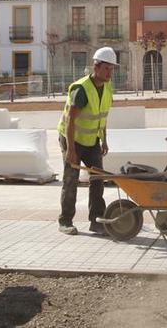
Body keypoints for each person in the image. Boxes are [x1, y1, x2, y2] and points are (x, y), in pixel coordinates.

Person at [57, 46, 117, 236]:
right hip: (71, 139)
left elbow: (101, 116)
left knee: (98, 179)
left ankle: (96, 221)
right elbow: (70, 121)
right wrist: (71, 151)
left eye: (112, 68)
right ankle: (65, 221)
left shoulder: (107, 87)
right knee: (71, 180)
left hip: (92, 141)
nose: (110, 72)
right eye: (106, 68)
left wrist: (104, 140)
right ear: (96, 67)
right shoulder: (81, 89)